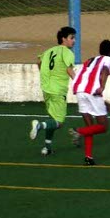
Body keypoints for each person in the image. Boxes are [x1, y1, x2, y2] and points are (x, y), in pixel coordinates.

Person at [29, 26, 77, 156]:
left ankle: (47, 148)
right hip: (58, 90)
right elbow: (69, 69)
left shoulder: (49, 51)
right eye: (72, 38)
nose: (74, 41)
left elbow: (39, 61)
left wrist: (45, 74)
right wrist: (79, 83)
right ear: (64, 39)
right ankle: (39, 125)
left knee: (52, 119)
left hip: (46, 89)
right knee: (59, 122)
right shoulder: (67, 52)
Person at [68, 40, 110, 165]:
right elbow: (104, 70)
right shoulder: (109, 60)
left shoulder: (89, 60)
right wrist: (102, 87)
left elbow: (87, 78)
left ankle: (88, 158)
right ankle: (79, 131)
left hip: (79, 90)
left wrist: (102, 101)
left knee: (90, 128)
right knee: (103, 127)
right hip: (92, 92)